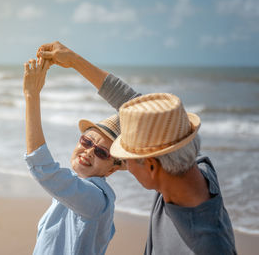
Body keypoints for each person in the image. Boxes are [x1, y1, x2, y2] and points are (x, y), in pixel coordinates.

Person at [37, 41, 237, 254]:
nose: (127, 168)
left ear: (151, 165)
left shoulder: (205, 247)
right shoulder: (195, 167)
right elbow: (136, 106)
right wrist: (74, 60)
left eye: (126, 157)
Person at [23, 57, 125, 255]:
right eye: (87, 141)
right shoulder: (77, 190)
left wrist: (31, 96)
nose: (88, 151)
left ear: (112, 169)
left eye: (101, 152)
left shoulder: (96, 200)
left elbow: (43, 168)